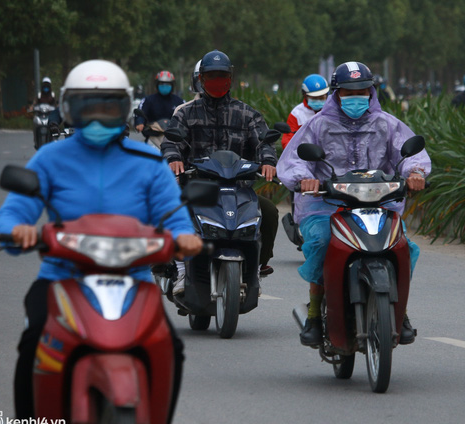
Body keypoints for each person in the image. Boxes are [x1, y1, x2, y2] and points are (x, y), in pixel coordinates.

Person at [0, 59, 202, 424]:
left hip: (134, 279)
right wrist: (16, 229)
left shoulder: (148, 162)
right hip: (62, 276)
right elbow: (15, 210)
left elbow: (173, 215)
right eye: (87, 105)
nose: (97, 115)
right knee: (34, 337)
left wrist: (185, 237)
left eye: (107, 106)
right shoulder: (50, 159)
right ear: (70, 109)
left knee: (170, 348)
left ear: (124, 108)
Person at [277, 61, 431, 347]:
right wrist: (304, 179)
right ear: (336, 94)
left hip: (379, 206)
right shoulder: (317, 125)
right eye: (348, 91)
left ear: (371, 91)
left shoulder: (387, 123)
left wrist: (416, 172)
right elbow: (294, 159)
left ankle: (401, 313)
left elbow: (410, 153)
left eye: (361, 90)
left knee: (404, 248)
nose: (355, 96)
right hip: (327, 206)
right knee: (323, 242)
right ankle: (314, 315)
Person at [161, 49, 279, 286]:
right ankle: (181, 268)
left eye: (222, 75)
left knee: (268, 212)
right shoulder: (185, 113)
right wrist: (174, 158)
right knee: (171, 211)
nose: (217, 80)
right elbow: (171, 142)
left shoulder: (247, 114)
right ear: (201, 79)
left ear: (230, 78)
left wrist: (267, 161)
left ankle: (256, 265)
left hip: (238, 189)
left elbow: (264, 142)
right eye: (212, 75)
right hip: (196, 187)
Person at [281, 74, 329, 149]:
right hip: (304, 156)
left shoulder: (333, 110)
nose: (318, 100)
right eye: (314, 98)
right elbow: (288, 140)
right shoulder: (296, 113)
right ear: (305, 96)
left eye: (322, 97)